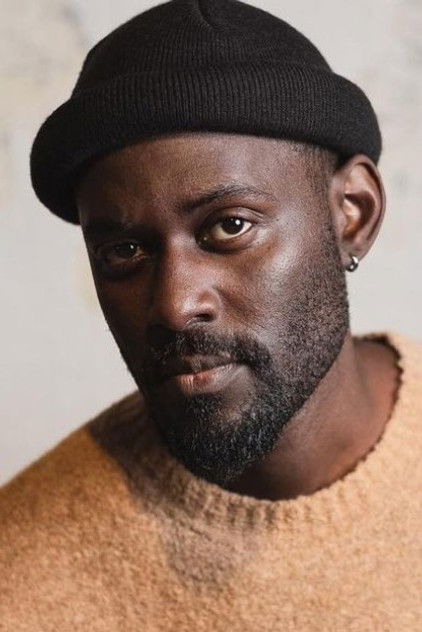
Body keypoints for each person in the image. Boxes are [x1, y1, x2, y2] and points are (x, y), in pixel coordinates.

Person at [1, 0, 421, 629]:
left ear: (352, 214)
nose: (175, 305)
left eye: (230, 226)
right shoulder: (20, 580)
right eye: (125, 252)